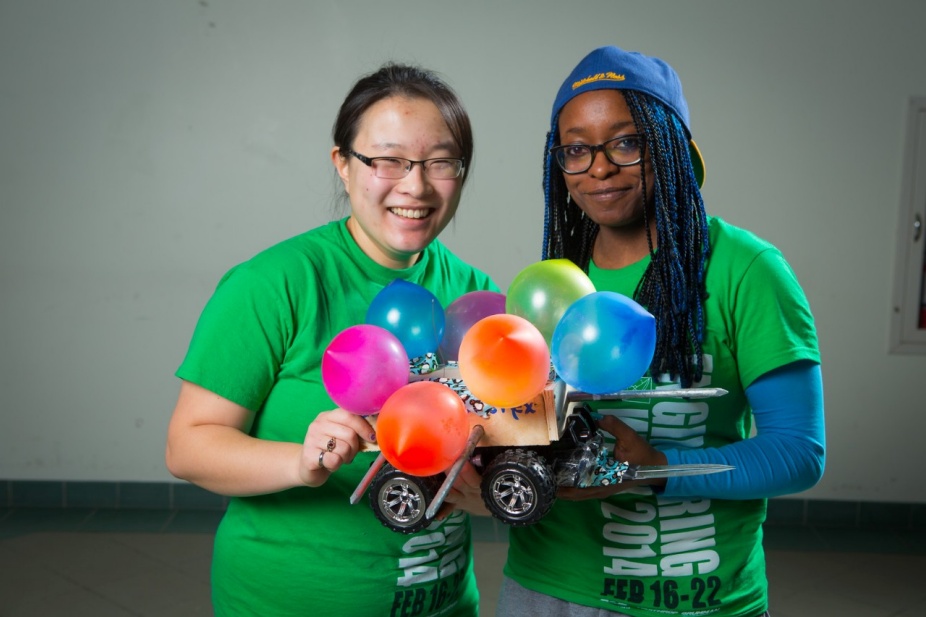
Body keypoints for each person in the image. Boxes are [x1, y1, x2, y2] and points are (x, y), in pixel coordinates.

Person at [498, 46, 825, 617]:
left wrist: (656, 469)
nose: (598, 167)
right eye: (576, 149)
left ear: (671, 145)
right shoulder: (557, 279)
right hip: (546, 585)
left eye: (626, 142)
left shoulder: (745, 270)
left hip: (692, 594)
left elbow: (799, 452)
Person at [166, 62, 498, 616]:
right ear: (342, 165)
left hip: (441, 603)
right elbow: (188, 446)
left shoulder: (473, 293)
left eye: (440, 162)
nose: (414, 185)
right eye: (387, 160)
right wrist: (301, 461)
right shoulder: (274, 284)